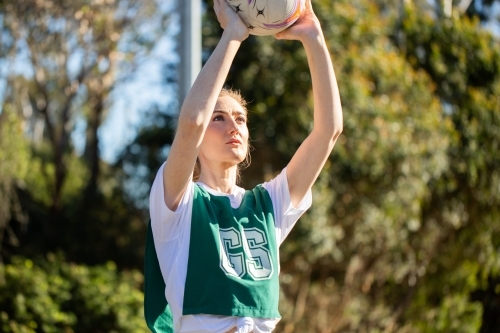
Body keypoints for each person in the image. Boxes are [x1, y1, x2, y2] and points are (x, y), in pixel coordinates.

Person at [148, 0, 343, 331]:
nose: (233, 126)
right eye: (219, 118)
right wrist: (233, 36)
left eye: (240, 118)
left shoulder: (268, 205)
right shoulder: (179, 205)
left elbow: (329, 131)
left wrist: (314, 37)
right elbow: (193, 120)